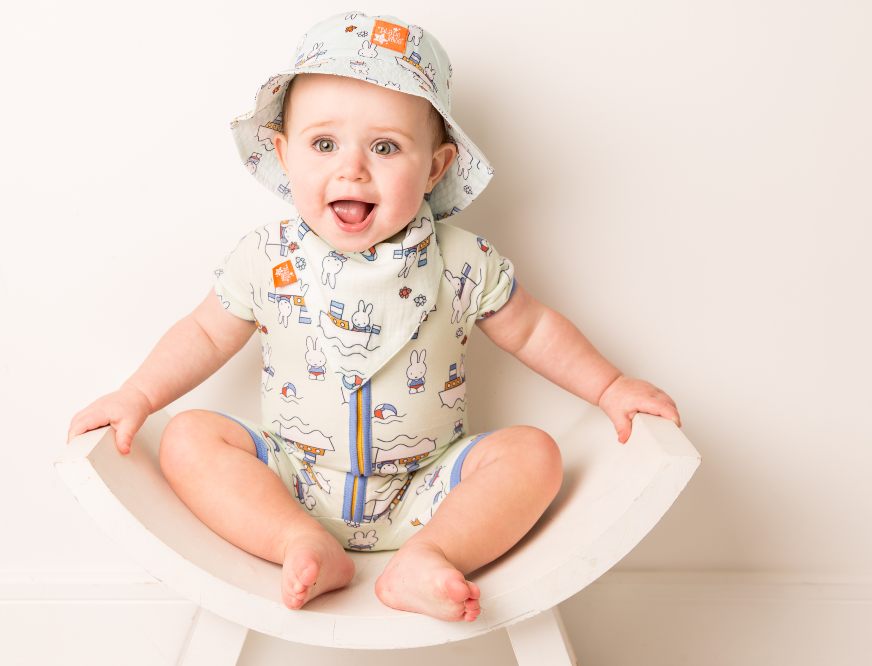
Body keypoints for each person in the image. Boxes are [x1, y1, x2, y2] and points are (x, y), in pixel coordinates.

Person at [67, 10, 681, 623]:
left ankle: (429, 555)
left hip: (429, 486)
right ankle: (298, 544)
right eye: (323, 144)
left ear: (435, 167)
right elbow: (204, 332)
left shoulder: (463, 261)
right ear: (284, 155)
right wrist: (137, 395)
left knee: (534, 454)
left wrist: (609, 386)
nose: (352, 168)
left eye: (384, 147)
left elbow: (534, 329)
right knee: (189, 438)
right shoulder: (266, 258)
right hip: (291, 481)